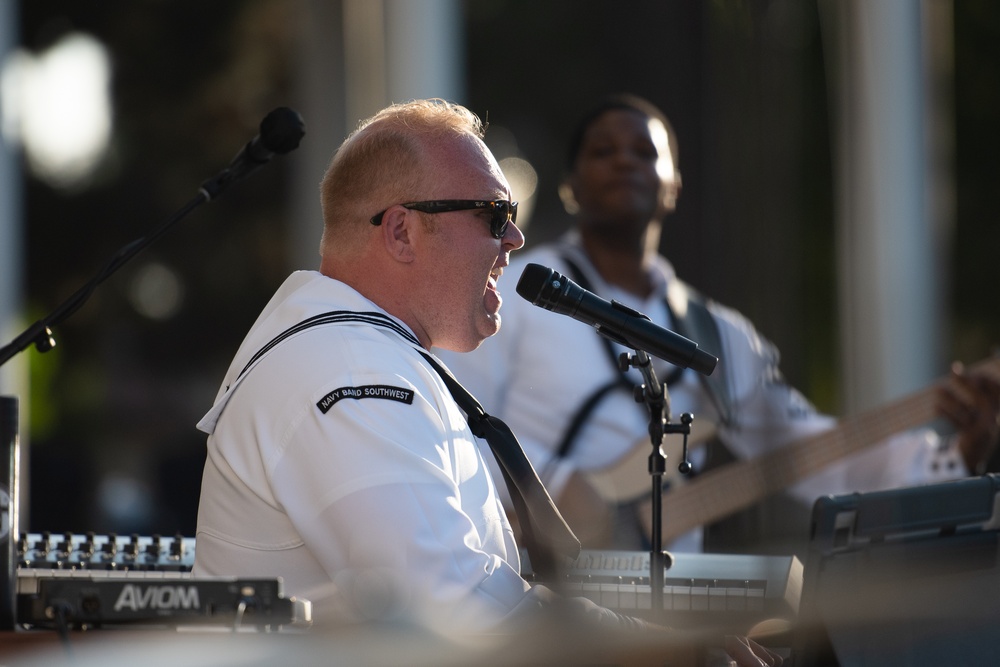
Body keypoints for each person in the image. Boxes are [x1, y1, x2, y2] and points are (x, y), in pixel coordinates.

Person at [191, 99, 780, 666]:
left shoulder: (368, 355)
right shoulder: (350, 369)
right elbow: (448, 606)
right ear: (400, 232)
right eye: (494, 215)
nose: (514, 242)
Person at [437, 93, 1000, 554]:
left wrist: (951, 458)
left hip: (668, 609)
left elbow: (813, 451)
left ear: (674, 185)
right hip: (534, 593)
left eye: (643, 151)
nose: (624, 160)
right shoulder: (511, 290)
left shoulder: (720, 335)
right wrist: (554, 485)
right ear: (571, 188)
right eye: (603, 150)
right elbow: (454, 414)